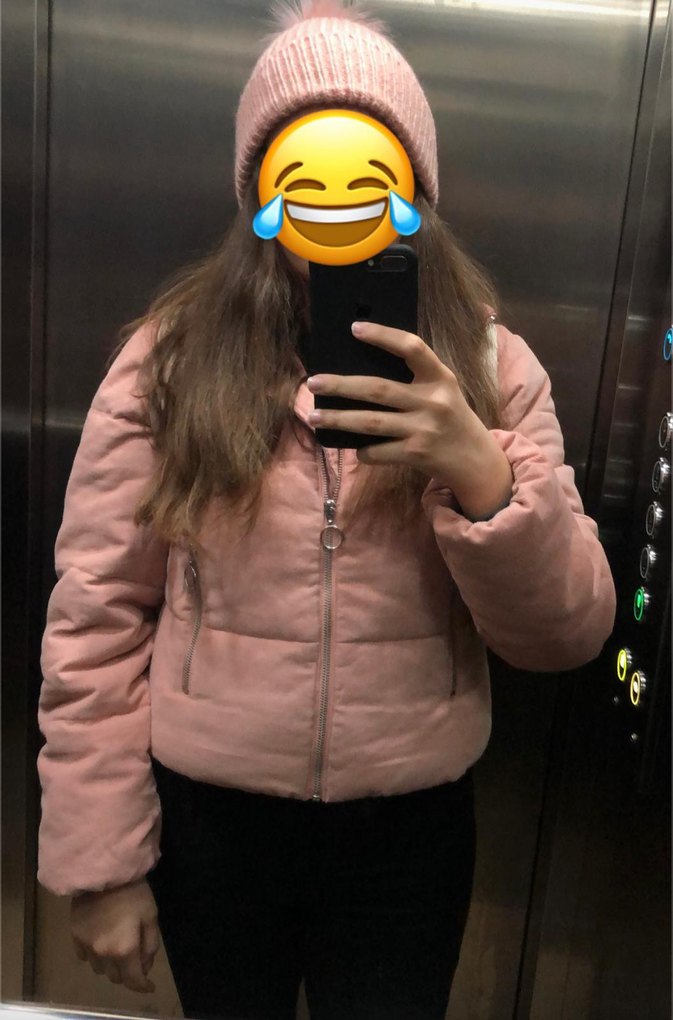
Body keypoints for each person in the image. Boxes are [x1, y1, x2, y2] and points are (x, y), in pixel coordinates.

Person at [36, 2, 617, 1019]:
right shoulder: (169, 362)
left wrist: (482, 475)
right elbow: (97, 613)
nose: (336, 201)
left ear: (413, 192)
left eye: (368, 173)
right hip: (209, 826)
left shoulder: (491, 370)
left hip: (408, 836)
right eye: (302, 173)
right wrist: (101, 862)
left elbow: (565, 634)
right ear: (260, 194)